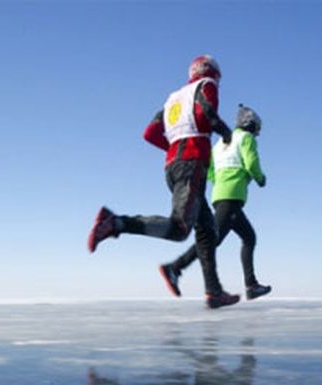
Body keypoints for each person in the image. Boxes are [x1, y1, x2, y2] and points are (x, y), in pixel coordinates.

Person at [87, 55, 239, 309]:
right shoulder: (206, 85)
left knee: (207, 230)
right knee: (180, 229)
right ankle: (115, 223)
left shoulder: (173, 99)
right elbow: (205, 112)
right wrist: (224, 131)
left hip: (174, 165)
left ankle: (213, 292)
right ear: (211, 72)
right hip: (191, 164)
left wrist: (174, 149)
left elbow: (150, 133)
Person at [159, 105, 271, 301]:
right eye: (257, 129)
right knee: (211, 241)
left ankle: (251, 285)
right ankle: (175, 268)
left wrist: (220, 182)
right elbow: (251, 162)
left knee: (248, 237)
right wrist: (260, 178)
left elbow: (210, 170)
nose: (257, 133)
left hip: (220, 195)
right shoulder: (246, 138)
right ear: (250, 125)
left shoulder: (219, 143)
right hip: (232, 196)